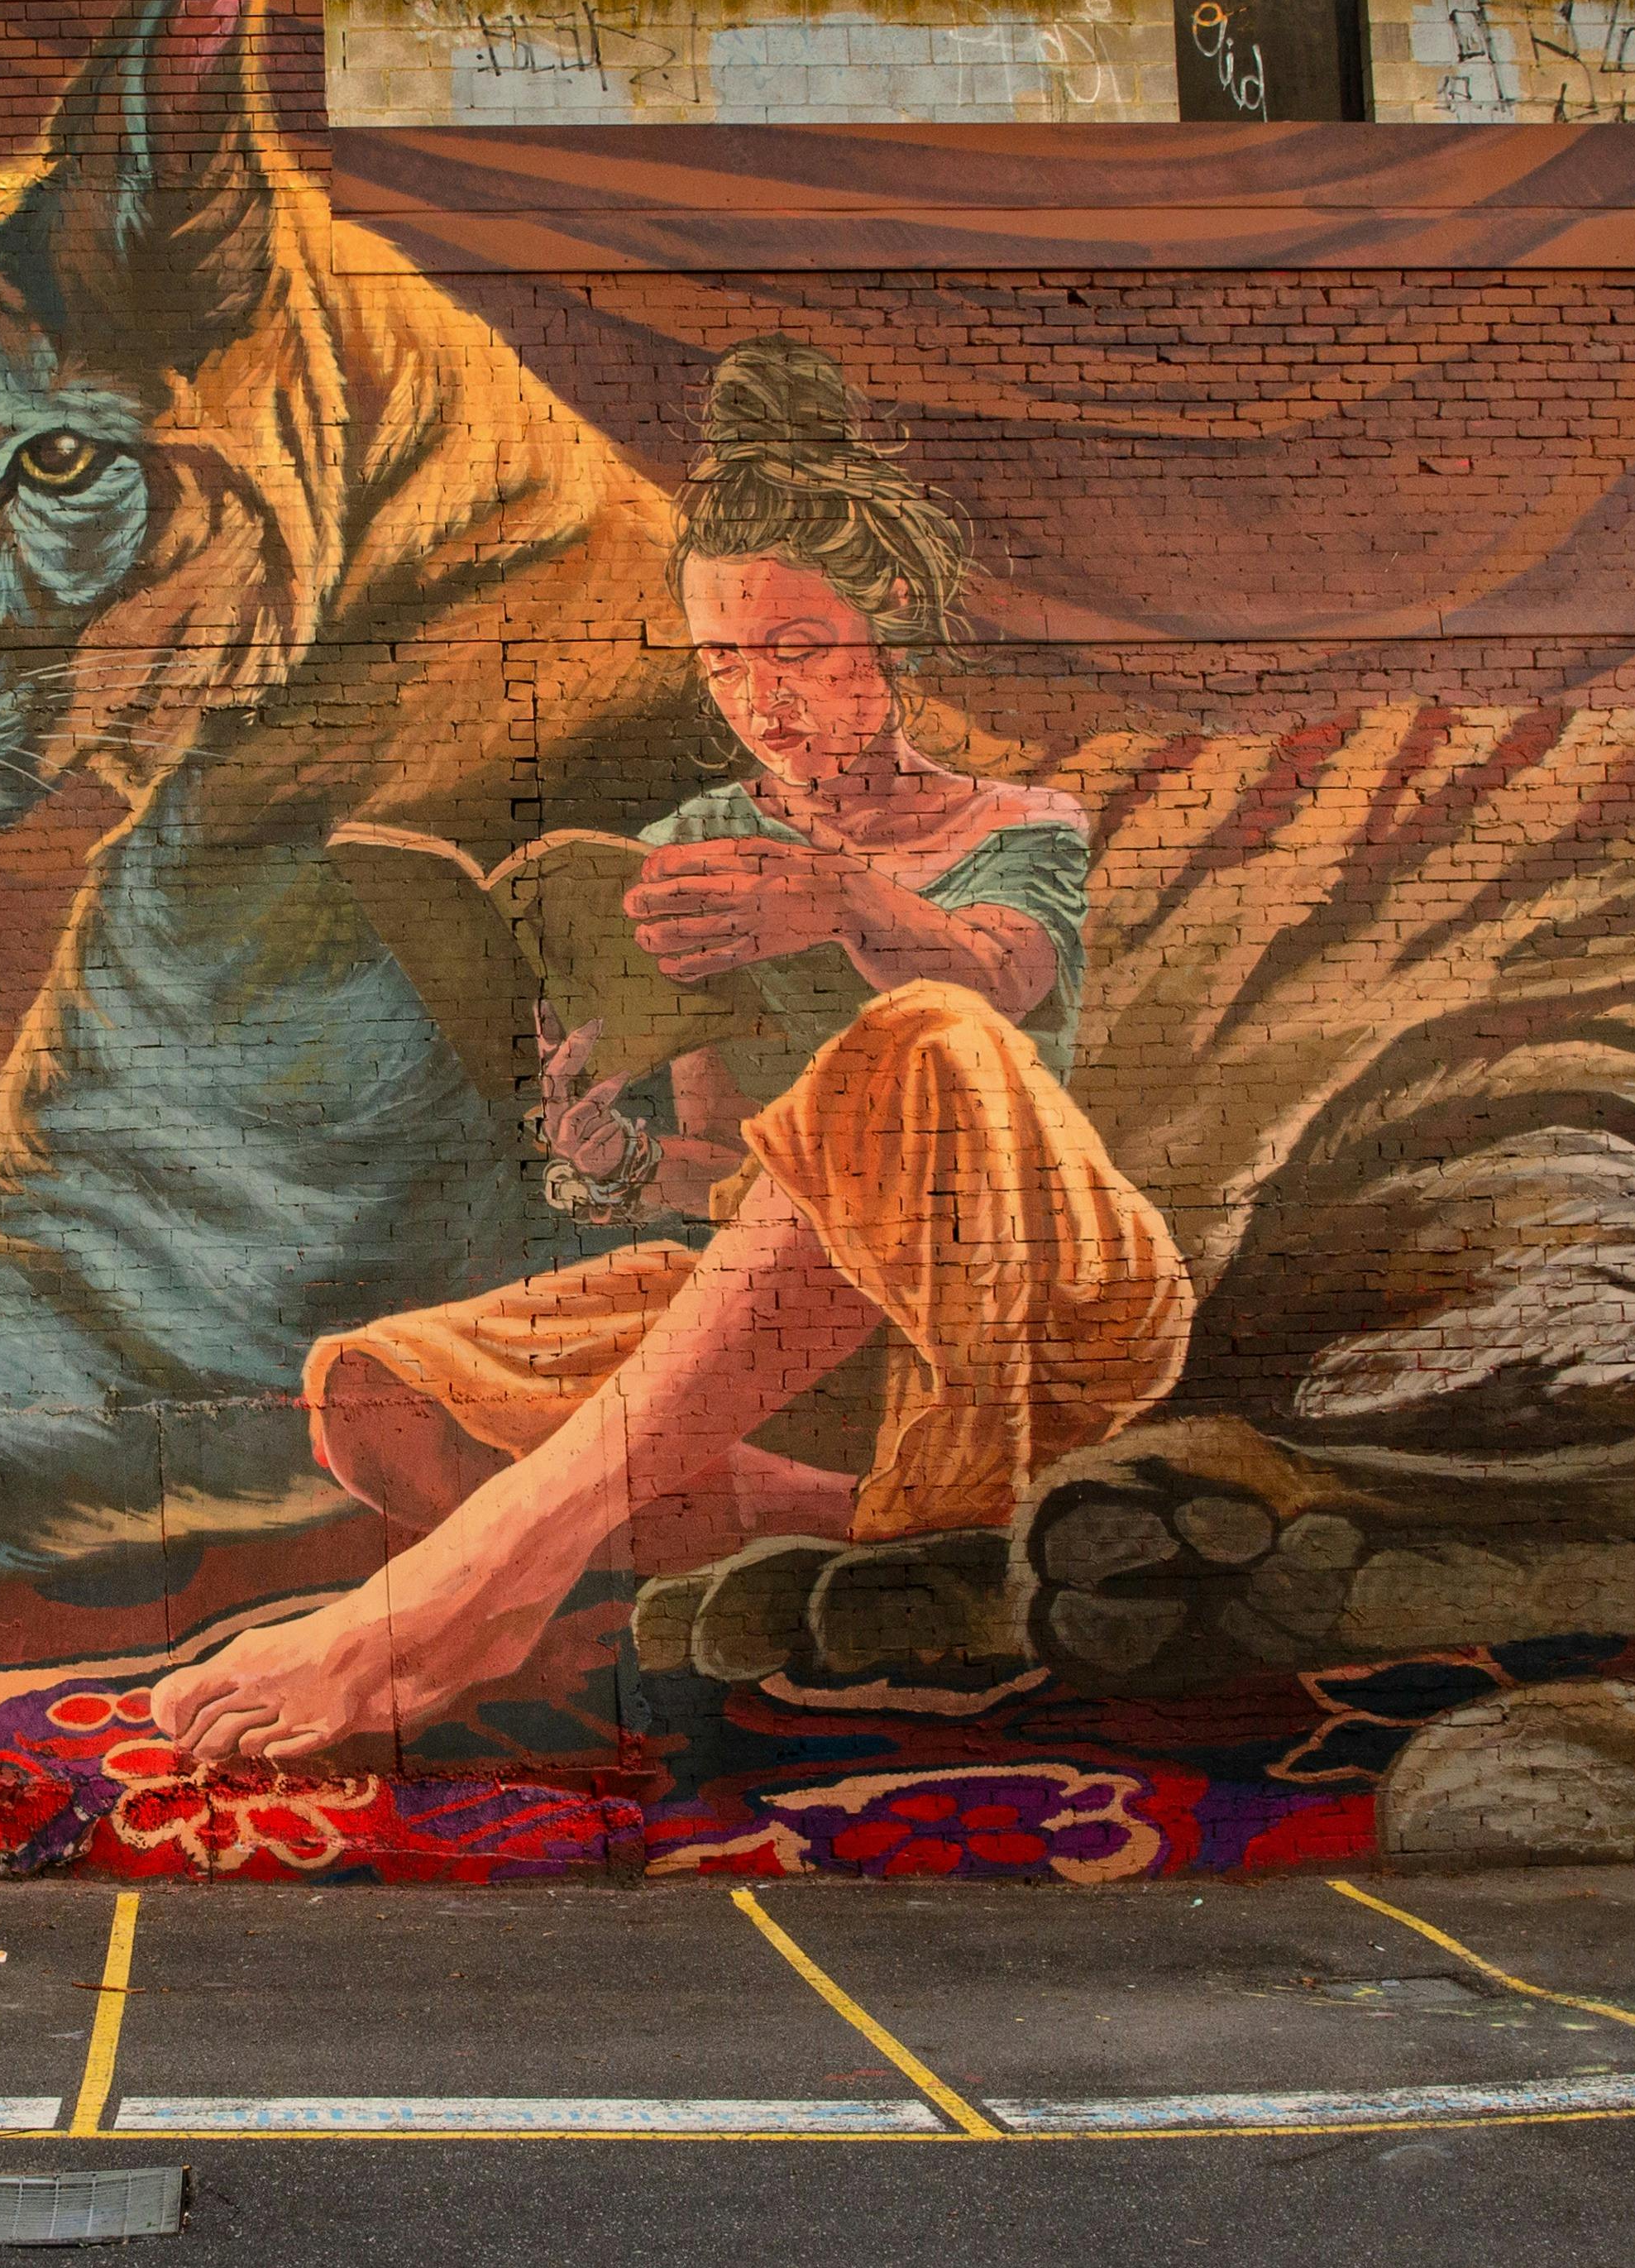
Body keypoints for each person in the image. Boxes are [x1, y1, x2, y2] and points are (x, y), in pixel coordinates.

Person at [152, 337, 1193, 1765]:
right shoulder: (695, 847)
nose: (762, 697)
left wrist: (842, 899)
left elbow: (997, 983)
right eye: (723, 661)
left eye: (799, 651)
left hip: (1025, 1308)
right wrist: (615, 1150)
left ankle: (488, 1577)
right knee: (379, 1400)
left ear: (888, 626)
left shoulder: (1021, 828)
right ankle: (859, 1526)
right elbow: (714, 1158)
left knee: (918, 1036)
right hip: (812, 1356)